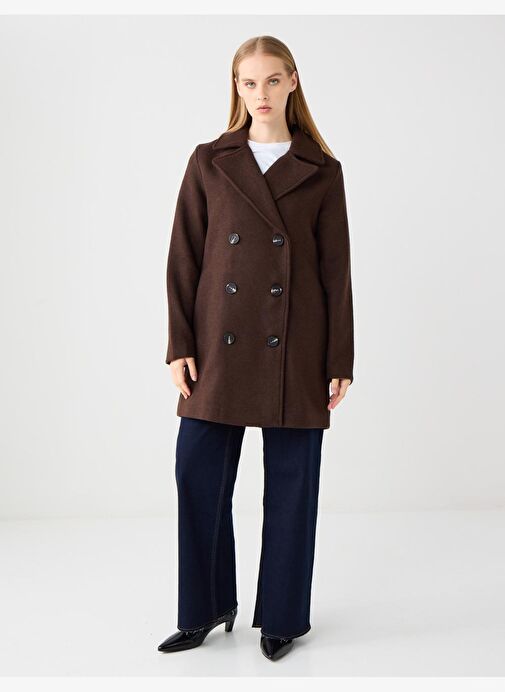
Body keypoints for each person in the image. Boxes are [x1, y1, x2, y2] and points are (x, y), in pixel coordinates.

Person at [158, 35, 354, 661]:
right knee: (197, 473)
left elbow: (336, 271)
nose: (261, 94)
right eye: (249, 83)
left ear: (293, 81)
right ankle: (205, 607)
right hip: (216, 342)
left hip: (296, 342)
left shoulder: (322, 170)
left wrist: (339, 359)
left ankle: (283, 618)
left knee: (293, 486)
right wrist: (179, 344)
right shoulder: (210, 160)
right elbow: (184, 256)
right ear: (236, 88)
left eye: (272, 80)